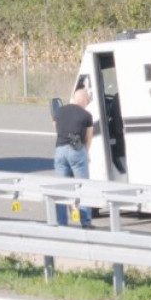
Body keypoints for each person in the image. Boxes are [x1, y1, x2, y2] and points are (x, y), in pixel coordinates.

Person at [53, 87, 95, 227]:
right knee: (82, 186)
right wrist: (85, 153)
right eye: (87, 101)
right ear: (83, 100)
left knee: (61, 188)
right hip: (77, 150)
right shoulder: (86, 115)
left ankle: (61, 222)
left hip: (60, 151)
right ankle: (85, 221)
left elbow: (56, 127)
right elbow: (89, 137)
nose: (87, 104)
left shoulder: (59, 111)